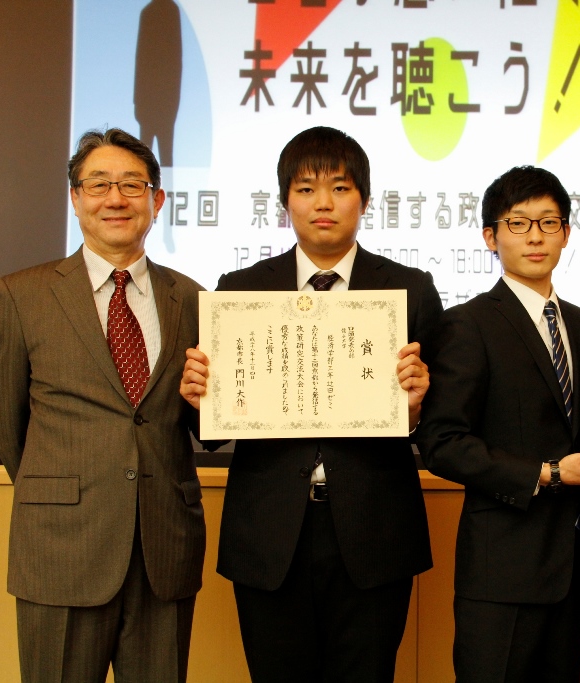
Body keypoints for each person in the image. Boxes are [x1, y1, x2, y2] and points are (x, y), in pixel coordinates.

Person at [179, 126, 442, 682]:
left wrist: (418, 406)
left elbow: (442, 427)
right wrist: (200, 398)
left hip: (373, 533)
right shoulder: (240, 288)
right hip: (270, 534)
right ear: (285, 202)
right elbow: (212, 431)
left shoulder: (410, 289)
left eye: (340, 187)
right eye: (305, 189)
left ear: (364, 200)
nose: (323, 203)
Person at [0, 128, 206, 682]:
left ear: (156, 201)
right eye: (99, 184)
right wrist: (62, 492)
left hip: (164, 548)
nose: (116, 198)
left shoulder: (194, 299)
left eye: (133, 184)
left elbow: (205, 424)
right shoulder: (22, 295)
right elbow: (10, 429)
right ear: (76, 198)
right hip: (61, 549)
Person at [418, 165, 580, 682]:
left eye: (548, 222)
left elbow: (577, 426)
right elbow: (442, 443)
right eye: (518, 223)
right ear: (490, 237)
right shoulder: (467, 324)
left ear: (566, 233)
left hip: (572, 566)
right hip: (501, 574)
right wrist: (548, 473)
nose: (535, 235)